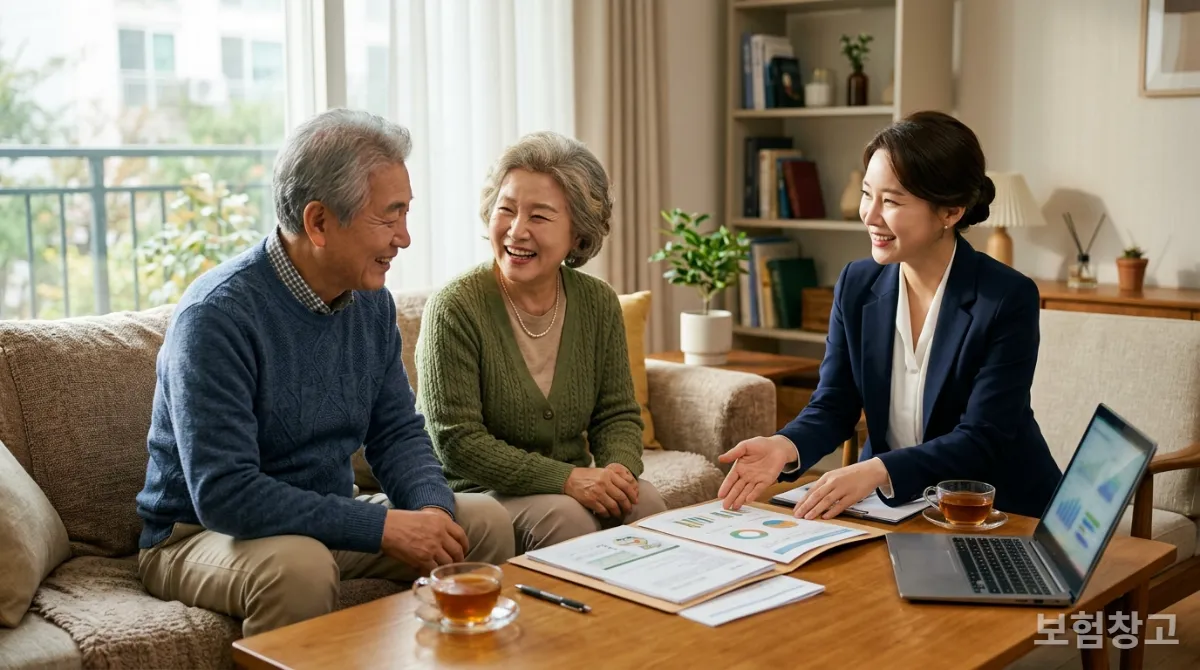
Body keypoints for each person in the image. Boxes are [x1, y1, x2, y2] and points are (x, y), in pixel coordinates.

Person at [134, 109, 515, 638]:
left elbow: (397, 433)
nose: (404, 237)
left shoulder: (369, 302)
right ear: (318, 222)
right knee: (300, 567)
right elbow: (225, 493)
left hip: (324, 516)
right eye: (390, 216)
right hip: (198, 533)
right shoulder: (217, 315)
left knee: (481, 523)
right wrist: (380, 526)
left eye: (407, 213)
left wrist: (431, 513)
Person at [717, 111, 1062, 520]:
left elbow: (983, 437)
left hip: (998, 511)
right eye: (867, 194)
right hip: (897, 509)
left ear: (950, 212)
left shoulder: (1006, 297)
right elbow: (834, 404)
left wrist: (876, 471)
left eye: (892, 201)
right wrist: (785, 446)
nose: (870, 215)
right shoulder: (856, 284)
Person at [416, 131, 667, 553]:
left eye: (539, 216)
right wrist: (566, 479)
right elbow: (457, 443)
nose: (516, 231)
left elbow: (617, 414)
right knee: (566, 520)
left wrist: (618, 475)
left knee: (647, 503)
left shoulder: (597, 301)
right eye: (506, 210)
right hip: (477, 492)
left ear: (578, 233)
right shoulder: (455, 306)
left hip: (567, 484)